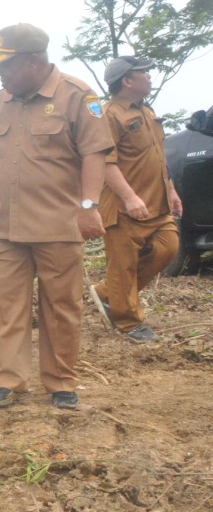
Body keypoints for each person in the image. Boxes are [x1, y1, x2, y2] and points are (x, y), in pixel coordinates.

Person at [0, 23, 111, 411]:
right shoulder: (2, 99)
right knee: (6, 304)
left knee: (61, 307)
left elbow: (95, 154)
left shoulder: (77, 96)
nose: (0, 74)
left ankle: (61, 382)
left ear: (33, 62)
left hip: (58, 224)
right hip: (5, 226)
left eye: (6, 66)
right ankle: (8, 381)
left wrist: (89, 207)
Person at [89, 55, 182, 342]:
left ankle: (109, 293)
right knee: (123, 264)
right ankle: (129, 322)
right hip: (123, 207)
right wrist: (129, 197)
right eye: (144, 73)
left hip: (157, 203)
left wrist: (171, 190)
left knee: (169, 246)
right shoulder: (109, 115)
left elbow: (157, 157)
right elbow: (106, 163)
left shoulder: (148, 112)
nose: (150, 76)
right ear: (128, 81)